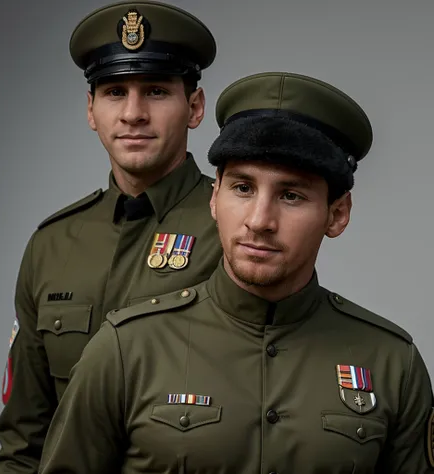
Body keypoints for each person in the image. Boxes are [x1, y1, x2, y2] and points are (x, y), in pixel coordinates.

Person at [38, 71, 434, 474]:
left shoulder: (391, 364)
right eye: (243, 188)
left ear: (337, 214)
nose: (260, 221)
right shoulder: (126, 351)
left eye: (291, 195)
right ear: (214, 198)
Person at [0, 2, 222, 473]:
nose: (133, 114)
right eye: (115, 92)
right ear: (91, 110)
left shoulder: (236, 231)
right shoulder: (53, 244)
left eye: (156, 91)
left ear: (194, 107)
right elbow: (23, 441)